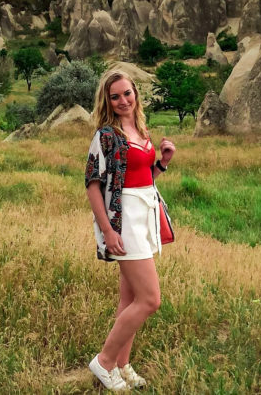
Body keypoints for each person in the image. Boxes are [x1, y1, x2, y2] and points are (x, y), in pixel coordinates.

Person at [84, 69, 175, 391]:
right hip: (123, 221)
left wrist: (161, 163)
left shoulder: (140, 129)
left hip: (144, 216)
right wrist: (108, 232)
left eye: (127, 93)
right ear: (106, 101)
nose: (123, 100)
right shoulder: (106, 136)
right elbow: (93, 185)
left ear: (135, 94)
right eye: (115, 96)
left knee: (130, 299)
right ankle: (104, 362)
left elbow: (141, 178)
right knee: (150, 300)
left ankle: (122, 365)